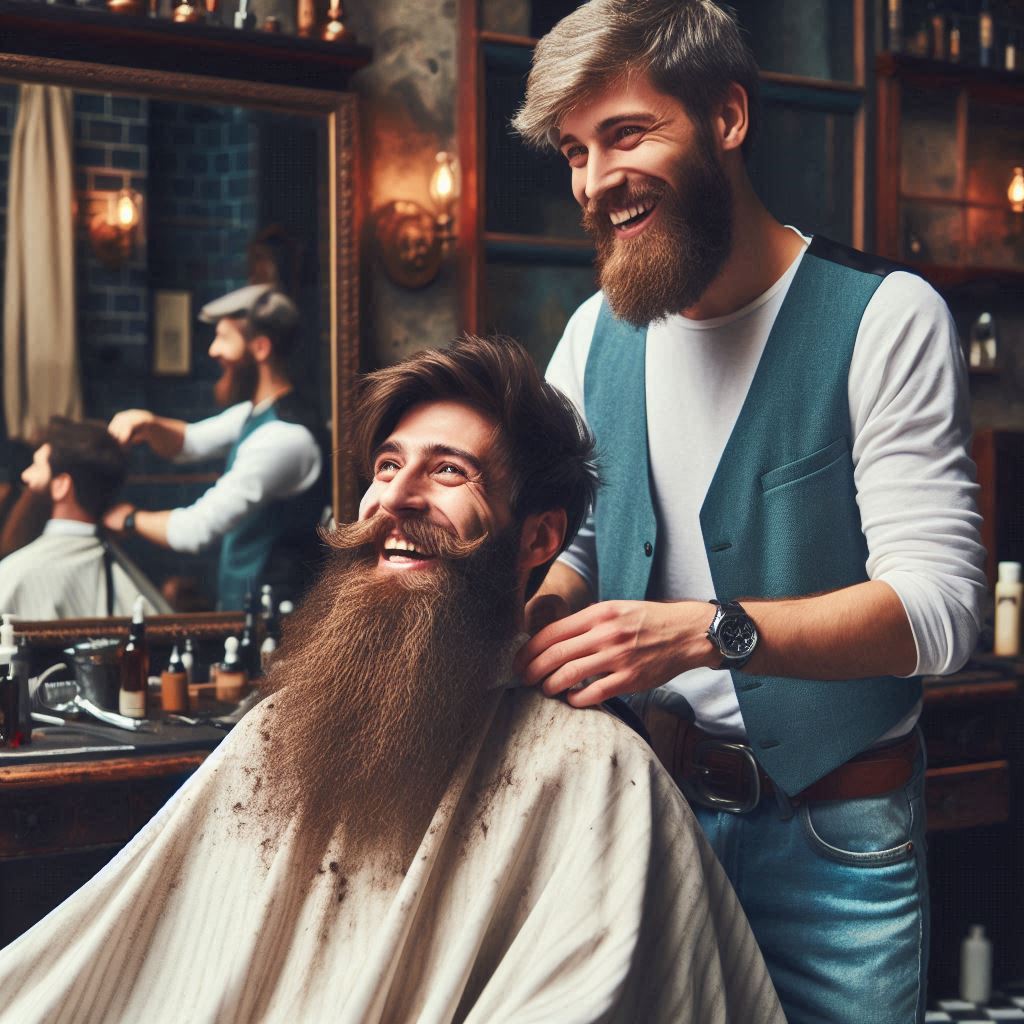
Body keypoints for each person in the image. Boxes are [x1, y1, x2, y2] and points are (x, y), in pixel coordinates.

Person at [0, 337, 784, 1024]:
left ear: (539, 536)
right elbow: (130, 954)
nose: (396, 499)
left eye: (449, 471)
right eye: (386, 465)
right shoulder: (285, 728)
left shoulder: (593, 770)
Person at [511, 3, 987, 1022]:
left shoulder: (882, 317)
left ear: (725, 116)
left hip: (837, 843)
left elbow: (942, 611)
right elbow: (583, 539)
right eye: (573, 153)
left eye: (626, 134)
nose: (595, 182)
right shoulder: (592, 333)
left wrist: (698, 635)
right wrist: (541, 611)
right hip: (644, 819)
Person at [105, 285, 328, 610]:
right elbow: (189, 442)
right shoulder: (254, 414)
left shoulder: (284, 438)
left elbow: (197, 529)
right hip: (246, 607)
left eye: (223, 338)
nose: (213, 350)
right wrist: (149, 423)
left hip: (277, 617)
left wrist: (128, 518)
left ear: (261, 348)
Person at [0, 418, 168, 619]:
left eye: (36, 466)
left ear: (62, 485)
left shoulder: (15, 573)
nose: (25, 476)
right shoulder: (129, 579)